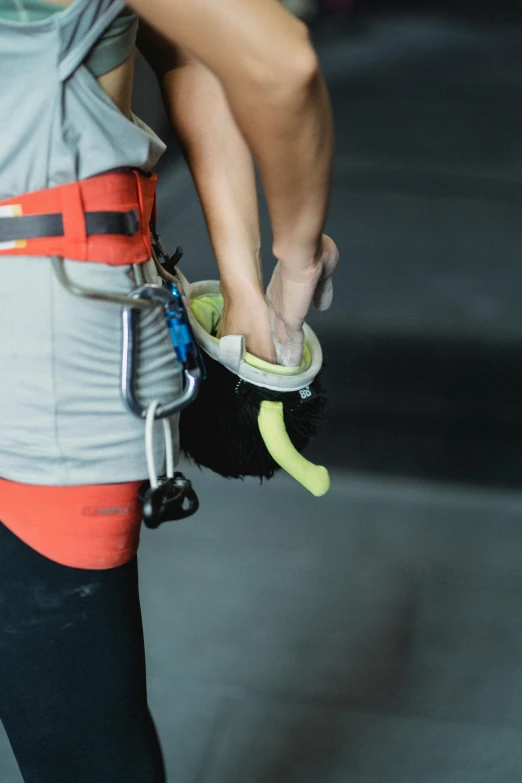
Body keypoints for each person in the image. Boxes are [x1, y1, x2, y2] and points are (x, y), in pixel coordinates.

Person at [0, 1, 338, 781]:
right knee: (85, 746)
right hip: (42, 341)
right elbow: (279, 63)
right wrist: (297, 257)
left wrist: (244, 286)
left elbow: (185, 44)